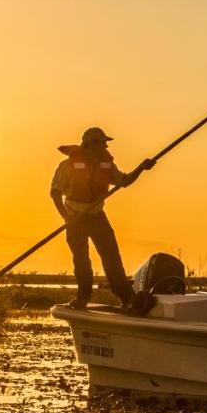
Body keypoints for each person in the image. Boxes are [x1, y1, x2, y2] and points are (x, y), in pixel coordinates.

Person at [51, 127, 155, 309]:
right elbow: (54, 193)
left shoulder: (106, 164)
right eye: (102, 143)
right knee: (81, 260)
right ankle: (83, 297)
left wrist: (141, 168)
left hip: (97, 216)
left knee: (112, 257)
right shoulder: (67, 166)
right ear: (90, 145)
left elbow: (124, 181)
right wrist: (67, 218)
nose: (106, 146)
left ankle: (127, 298)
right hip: (75, 217)